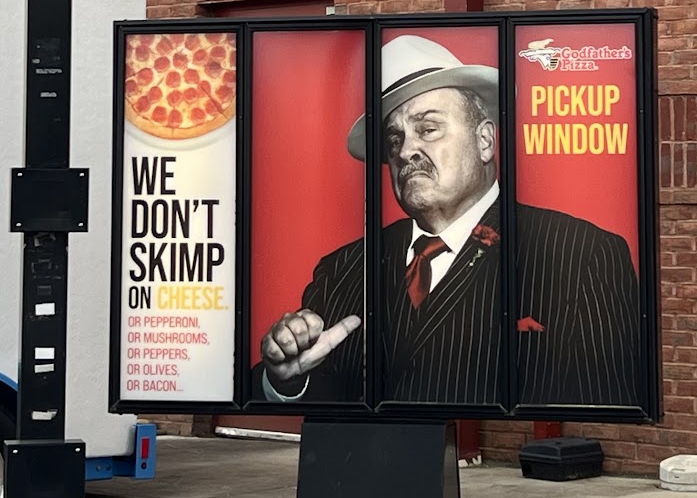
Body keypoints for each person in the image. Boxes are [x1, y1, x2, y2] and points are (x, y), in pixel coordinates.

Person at [260, 33, 644, 409]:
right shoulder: (343, 270)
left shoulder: (582, 256)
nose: (406, 151)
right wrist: (285, 380)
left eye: (428, 129)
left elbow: (604, 413)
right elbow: (324, 405)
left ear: (485, 141)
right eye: (394, 140)